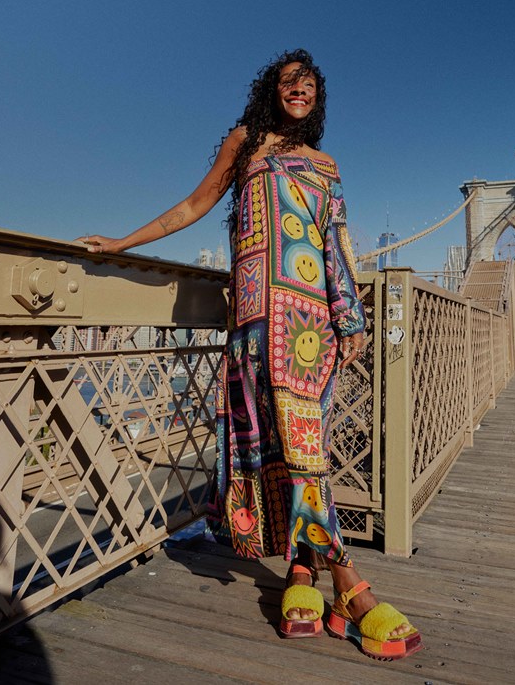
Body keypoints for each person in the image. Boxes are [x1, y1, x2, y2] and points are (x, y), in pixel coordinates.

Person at [82, 49, 421, 661]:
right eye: (291, 83)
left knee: (305, 444)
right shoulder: (246, 143)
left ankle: (343, 580)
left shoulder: (325, 164)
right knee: (272, 445)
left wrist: (351, 319)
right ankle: (299, 572)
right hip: (253, 323)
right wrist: (121, 241)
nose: (300, 92)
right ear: (274, 89)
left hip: (309, 321)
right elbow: (192, 206)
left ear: (318, 99)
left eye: (310, 86)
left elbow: (335, 242)